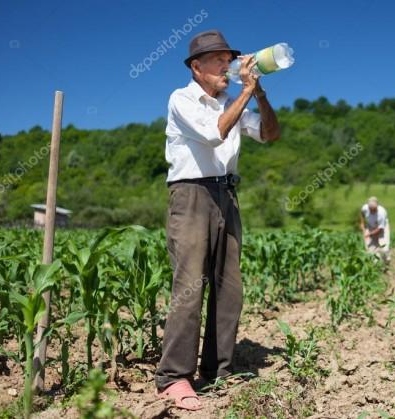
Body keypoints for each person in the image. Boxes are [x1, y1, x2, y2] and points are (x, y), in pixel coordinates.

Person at [154, 29, 281, 411]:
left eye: (229, 59)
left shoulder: (232, 101)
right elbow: (213, 134)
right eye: (218, 60)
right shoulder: (182, 100)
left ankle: (218, 369)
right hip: (191, 195)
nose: (227, 65)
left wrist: (258, 92)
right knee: (190, 284)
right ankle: (173, 377)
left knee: (230, 288)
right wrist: (243, 94)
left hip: (227, 195)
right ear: (197, 66)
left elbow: (270, 134)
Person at [359, 196, 391, 263]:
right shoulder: (365, 208)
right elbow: (362, 214)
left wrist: (370, 234)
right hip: (370, 226)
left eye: (374, 209)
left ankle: (386, 261)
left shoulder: (381, 213)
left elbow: (380, 229)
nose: (372, 211)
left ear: (377, 207)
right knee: (370, 248)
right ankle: (375, 264)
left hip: (382, 228)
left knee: (384, 247)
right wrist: (362, 223)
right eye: (370, 209)